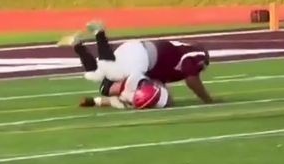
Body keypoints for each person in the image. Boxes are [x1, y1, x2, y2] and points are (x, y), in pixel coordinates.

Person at [59, 21, 213, 105]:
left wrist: (94, 101)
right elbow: (192, 79)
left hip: (136, 54)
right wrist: (209, 101)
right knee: (110, 71)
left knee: (97, 75)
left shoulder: (163, 70)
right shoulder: (196, 54)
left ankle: (77, 44)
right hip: (142, 55)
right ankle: (99, 33)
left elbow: (119, 97)